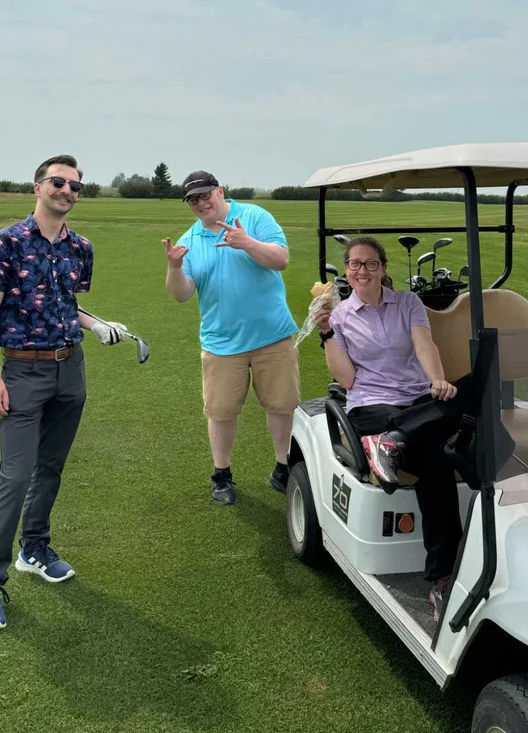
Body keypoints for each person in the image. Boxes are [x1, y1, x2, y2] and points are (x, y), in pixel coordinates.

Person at [0, 154, 132, 633]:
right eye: (58, 182)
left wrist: (97, 325)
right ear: (37, 187)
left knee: (51, 467)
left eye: (75, 186)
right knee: (14, 477)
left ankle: (34, 548)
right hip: (22, 371)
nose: (67, 190)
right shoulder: (7, 242)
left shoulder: (80, 247)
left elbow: (65, 303)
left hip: (70, 370)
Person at [315, 235, 474, 622]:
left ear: (384, 269)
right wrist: (325, 333)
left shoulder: (408, 303)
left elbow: (425, 348)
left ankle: (397, 439)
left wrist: (437, 380)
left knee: (476, 386)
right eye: (355, 264)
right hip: (371, 405)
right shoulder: (339, 316)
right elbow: (347, 380)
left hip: (417, 399)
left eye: (371, 263)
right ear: (348, 272)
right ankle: (443, 577)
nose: (362, 271)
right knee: (435, 462)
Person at [162, 170, 299, 506]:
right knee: (221, 412)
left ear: (220, 191)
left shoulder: (254, 216)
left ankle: (284, 467)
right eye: (193, 199)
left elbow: (281, 260)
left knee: (282, 406)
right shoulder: (190, 240)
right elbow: (182, 294)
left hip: (273, 336)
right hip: (221, 344)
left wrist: (246, 242)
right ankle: (221, 474)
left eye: (205, 195)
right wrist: (175, 268)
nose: (200, 203)